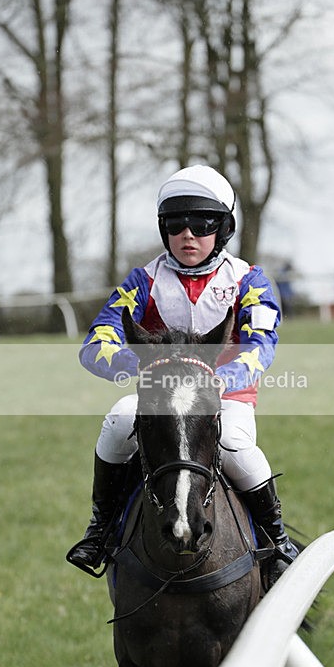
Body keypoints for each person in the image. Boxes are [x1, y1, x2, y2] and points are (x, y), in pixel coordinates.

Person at [67, 165, 299, 587]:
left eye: (202, 223)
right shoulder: (143, 281)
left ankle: (278, 540)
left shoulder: (249, 279)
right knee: (119, 419)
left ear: (224, 228)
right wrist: (139, 366)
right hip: (159, 394)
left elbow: (261, 344)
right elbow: (96, 342)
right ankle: (99, 529)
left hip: (225, 398)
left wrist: (217, 379)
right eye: (175, 224)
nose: (187, 234)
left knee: (235, 445)